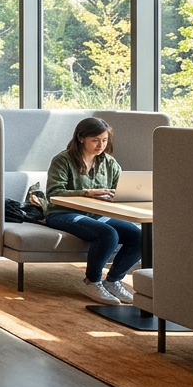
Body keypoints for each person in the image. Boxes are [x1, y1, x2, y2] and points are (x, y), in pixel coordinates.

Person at [44, 117, 142, 306]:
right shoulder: (63, 160)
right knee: (107, 234)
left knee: (139, 236)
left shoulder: (109, 162)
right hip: (63, 213)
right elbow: (54, 193)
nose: (101, 145)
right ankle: (91, 281)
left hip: (96, 214)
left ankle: (113, 281)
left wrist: (119, 195)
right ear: (81, 138)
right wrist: (88, 193)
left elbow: (119, 188)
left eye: (104, 140)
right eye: (95, 140)